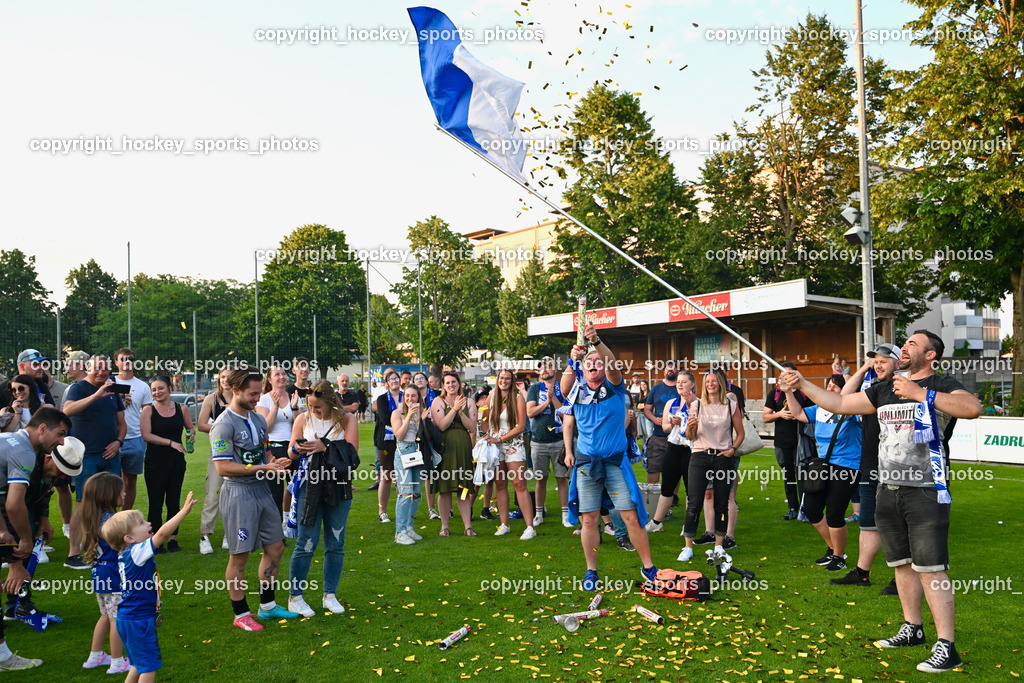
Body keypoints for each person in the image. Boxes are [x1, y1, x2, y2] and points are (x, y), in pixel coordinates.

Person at [781, 330, 980, 674]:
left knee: (931, 567)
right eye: (905, 344)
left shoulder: (944, 383)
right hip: (888, 488)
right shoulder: (885, 388)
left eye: (913, 345)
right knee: (901, 564)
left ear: (931, 355)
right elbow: (840, 404)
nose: (905, 348)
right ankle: (912, 628)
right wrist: (802, 383)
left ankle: (947, 646)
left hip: (926, 490)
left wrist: (922, 394)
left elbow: (972, 407)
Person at [560, 324, 658, 590]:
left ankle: (649, 567)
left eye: (597, 361)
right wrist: (574, 359)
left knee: (630, 517)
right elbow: (564, 384)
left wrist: (595, 341)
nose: (594, 364)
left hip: (615, 463)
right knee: (589, 519)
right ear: (583, 368)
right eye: (588, 362)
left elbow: (613, 366)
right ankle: (591, 571)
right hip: (586, 465)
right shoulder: (576, 390)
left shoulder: (615, 387)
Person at [211, 367, 297, 631]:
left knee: (276, 547)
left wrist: (273, 461)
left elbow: (265, 451)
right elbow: (223, 468)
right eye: (252, 394)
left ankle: (268, 606)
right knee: (240, 555)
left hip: (261, 490)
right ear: (235, 390)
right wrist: (263, 468)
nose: (257, 399)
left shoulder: (258, 419)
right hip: (238, 493)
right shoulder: (223, 424)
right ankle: (241, 614)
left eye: (260, 393)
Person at [0, 407, 75, 671]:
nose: (62, 441)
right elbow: (12, 506)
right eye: (60, 433)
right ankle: (2, 658)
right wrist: (21, 550)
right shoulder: (23, 451)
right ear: (42, 428)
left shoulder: (16, 444)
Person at [102, 492, 199, 682]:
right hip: (139, 620)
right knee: (148, 667)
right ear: (128, 538)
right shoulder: (136, 552)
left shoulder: (126, 554)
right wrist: (184, 511)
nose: (148, 524)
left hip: (128, 618)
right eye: (141, 523)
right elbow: (163, 534)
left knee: (138, 664)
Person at [831, 343, 901, 593]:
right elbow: (842, 398)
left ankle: (900, 578)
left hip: (897, 467)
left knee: (897, 524)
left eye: (884, 360)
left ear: (899, 362)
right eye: (875, 360)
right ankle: (862, 572)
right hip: (871, 464)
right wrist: (864, 368)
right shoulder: (872, 387)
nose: (878, 364)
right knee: (868, 523)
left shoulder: (905, 387)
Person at [286, 380, 357, 616]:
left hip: (338, 487)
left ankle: (330, 595)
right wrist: (301, 448)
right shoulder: (302, 419)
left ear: (329, 401)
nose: (313, 410)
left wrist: (325, 446)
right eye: (309, 405)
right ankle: (295, 597)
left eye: (317, 407)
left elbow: (352, 454)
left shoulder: (346, 419)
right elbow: (290, 451)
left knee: (335, 543)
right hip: (310, 486)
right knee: (306, 543)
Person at [784, 374, 861, 572]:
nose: (830, 389)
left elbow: (847, 398)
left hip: (846, 466)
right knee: (811, 509)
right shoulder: (820, 408)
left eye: (836, 386)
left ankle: (838, 557)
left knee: (835, 513)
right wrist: (788, 392)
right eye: (828, 385)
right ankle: (834, 549)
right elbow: (799, 414)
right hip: (822, 465)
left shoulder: (852, 408)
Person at [63, 354, 126, 570]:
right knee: (83, 502)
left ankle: (109, 548)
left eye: (105, 368)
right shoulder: (78, 388)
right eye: (97, 368)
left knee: (111, 502)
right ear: (87, 368)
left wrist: (118, 442)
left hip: (110, 455)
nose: (101, 372)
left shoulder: (114, 390)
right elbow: (67, 410)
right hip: (87, 456)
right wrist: (97, 395)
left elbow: (122, 424)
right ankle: (73, 554)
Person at [677, 367, 744, 563]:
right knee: (694, 503)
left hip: (723, 457)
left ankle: (719, 546)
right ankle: (688, 547)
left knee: (722, 503)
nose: (710, 384)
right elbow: (690, 436)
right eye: (707, 381)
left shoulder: (730, 404)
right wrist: (690, 427)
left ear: (720, 383)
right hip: (699, 456)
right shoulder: (696, 404)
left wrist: (733, 449)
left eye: (714, 381)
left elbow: (740, 433)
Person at [79, 472, 130, 674]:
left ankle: (96, 655)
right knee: (116, 618)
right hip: (114, 576)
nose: (125, 493)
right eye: (121, 490)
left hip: (99, 574)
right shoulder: (112, 521)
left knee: (105, 615)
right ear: (109, 495)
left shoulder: (94, 517)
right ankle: (117, 662)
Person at [140, 376, 193, 553]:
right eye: (154, 390)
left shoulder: (182, 408)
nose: (157, 392)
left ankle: (172, 538)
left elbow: (189, 428)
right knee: (155, 502)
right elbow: (146, 436)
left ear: (170, 388)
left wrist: (191, 434)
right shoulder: (148, 411)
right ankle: (156, 540)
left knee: (173, 501)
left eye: (161, 388)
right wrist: (170, 443)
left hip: (176, 462)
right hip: (155, 462)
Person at [645, 371, 697, 532]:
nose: (680, 384)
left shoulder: (699, 403)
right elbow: (666, 428)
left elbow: (701, 429)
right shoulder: (671, 403)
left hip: (691, 449)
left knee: (691, 490)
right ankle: (656, 522)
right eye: (679, 382)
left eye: (684, 382)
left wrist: (686, 423)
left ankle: (688, 525)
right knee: (667, 487)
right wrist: (674, 423)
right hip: (673, 448)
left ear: (692, 384)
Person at [487, 369, 535, 540]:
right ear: (497, 380)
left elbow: (521, 426)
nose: (504, 381)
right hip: (495, 447)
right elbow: (485, 418)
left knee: (519, 484)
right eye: (502, 378)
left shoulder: (518, 399)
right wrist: (486, 435)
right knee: (499, 484)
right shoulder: (492, 396)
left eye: (508, 379)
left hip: (513, 446)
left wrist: (499, 438)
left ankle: (530, 526)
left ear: (512, 381)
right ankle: (504, 524)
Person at [763, 362, 814, 521]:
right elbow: (765, 417)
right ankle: (792, 508)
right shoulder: (775, 394)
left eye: (790, 373)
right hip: (783, 441)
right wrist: (779, 415)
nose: (786, 376)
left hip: (802, 441)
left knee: (804, 476)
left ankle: (806, 510)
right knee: (788, 476)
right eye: (783, 374)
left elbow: (813, 414)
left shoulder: (804, 392)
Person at [430, 371, 478, 536]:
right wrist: (454, 409)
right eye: (447, 383)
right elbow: (442, 425)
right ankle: (444, 527)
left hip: (463, 448)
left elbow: (472, 427)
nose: (451, 385)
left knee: (463, 488)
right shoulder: (438, 401)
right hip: (445, 448)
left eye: (454, 382)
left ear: (459, 383)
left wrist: (459, 412)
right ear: (443, 385)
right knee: (444, 489)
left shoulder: (470, 402)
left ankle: (468, 527)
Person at [527, 357, 571, 528]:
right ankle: (538, 514)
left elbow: (564, 414)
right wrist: (546, 401)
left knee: (562, 478)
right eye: (542, 366)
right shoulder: (534, 388)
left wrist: (553, 398)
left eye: (549, 366)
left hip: (559, 441)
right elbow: (530, 412)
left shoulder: (563, 388)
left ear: (555, 370)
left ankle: (565, 515)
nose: (545, 369)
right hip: (538, 440)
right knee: (541, 479)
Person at [112, 348, 153, 510]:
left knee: (130, 480)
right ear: (116, 362)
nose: (127, 361)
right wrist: (119, 401)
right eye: (123, 359)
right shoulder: (110, 383)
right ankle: (110, 519)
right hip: (112, 438)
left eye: (131, 358)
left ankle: (125, 517)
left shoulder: (142, 386)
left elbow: (147, 413)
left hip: (135, 438)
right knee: (111, 481)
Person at [197, 368, 231, 555]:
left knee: (235, 494)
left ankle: (229, 533)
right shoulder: (211, 399)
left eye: (229, 377)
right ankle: (204, 536)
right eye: (223, 377)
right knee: (213, 493)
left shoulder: (240, 398)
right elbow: (201, 424)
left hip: (237, 452)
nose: (226, 380)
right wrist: (221, 427)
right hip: (218, 451)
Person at [256, 364, 296, 519]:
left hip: (292, 447)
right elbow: (266, 428)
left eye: (283, 374)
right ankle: (276, 530)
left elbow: (299, 423)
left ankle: (291, 522)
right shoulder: (264, 399)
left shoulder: (293, 396)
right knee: (276, 492)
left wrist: (294, 408)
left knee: (296, 487)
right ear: (270, 379)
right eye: (277, 374)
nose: (281, 377)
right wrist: (275, 406)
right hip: (273, 448)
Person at [391, 384, 429, 545]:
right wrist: (408, 417)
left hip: (418, 453)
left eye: (413, 396)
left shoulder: (423, 412)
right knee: (405, 493)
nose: (410, 399)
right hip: (404, 452)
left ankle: (409, 527)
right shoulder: (397, 413)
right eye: (407, 395)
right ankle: (400, 532)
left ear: (419, 397)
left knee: (416, 493)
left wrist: (423, 420)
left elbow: (427, 435)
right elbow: (399, 435)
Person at [373, 369, 402, 522]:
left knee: (402, 476)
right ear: (386, 384)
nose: (394, 381)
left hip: (404, 440)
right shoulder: (382, 399)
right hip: (386, 441)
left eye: (396, 378)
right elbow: (385, 418)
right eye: (391, 379)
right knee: (387, 476)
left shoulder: (407, 396)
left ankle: (401, 510)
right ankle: (382, 511)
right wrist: (403, 417)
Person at [642, 363, 678, 488]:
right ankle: (652, 495)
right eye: (668, 367)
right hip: (658, 434)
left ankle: (673, 497)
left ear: (677, 371)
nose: (670, 370)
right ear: (664, 371)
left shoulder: (681, 388)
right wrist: (654, 419)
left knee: (675, 468)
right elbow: (647, 409)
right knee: (653, 466)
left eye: (673, 367)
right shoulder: (656, 389)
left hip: (677, 435)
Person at [411, 372, 441, 520]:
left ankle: (439, 508)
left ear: (427, 381)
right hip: (419, 437)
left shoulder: (436, 395)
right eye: (416, 379)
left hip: (435, 434)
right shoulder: (411, 397)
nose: (419, 381)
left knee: (437, 472)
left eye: (421, 378)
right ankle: (423, 509)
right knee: (422, 474)